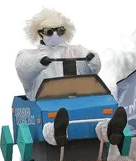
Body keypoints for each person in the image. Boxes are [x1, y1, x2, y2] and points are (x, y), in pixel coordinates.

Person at [15, 8, 127, 148]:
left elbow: (92, 66)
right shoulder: (30, 54)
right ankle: (58, 133)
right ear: (40, 33)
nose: (55, 35)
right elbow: (24, 67)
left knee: (97, 120)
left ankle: (110, 130)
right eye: (50, 31)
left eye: (60, 31)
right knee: (50, 125)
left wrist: (92, 59)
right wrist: (39, 62)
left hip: (77, 101)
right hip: (45, 103)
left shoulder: (75, 51)